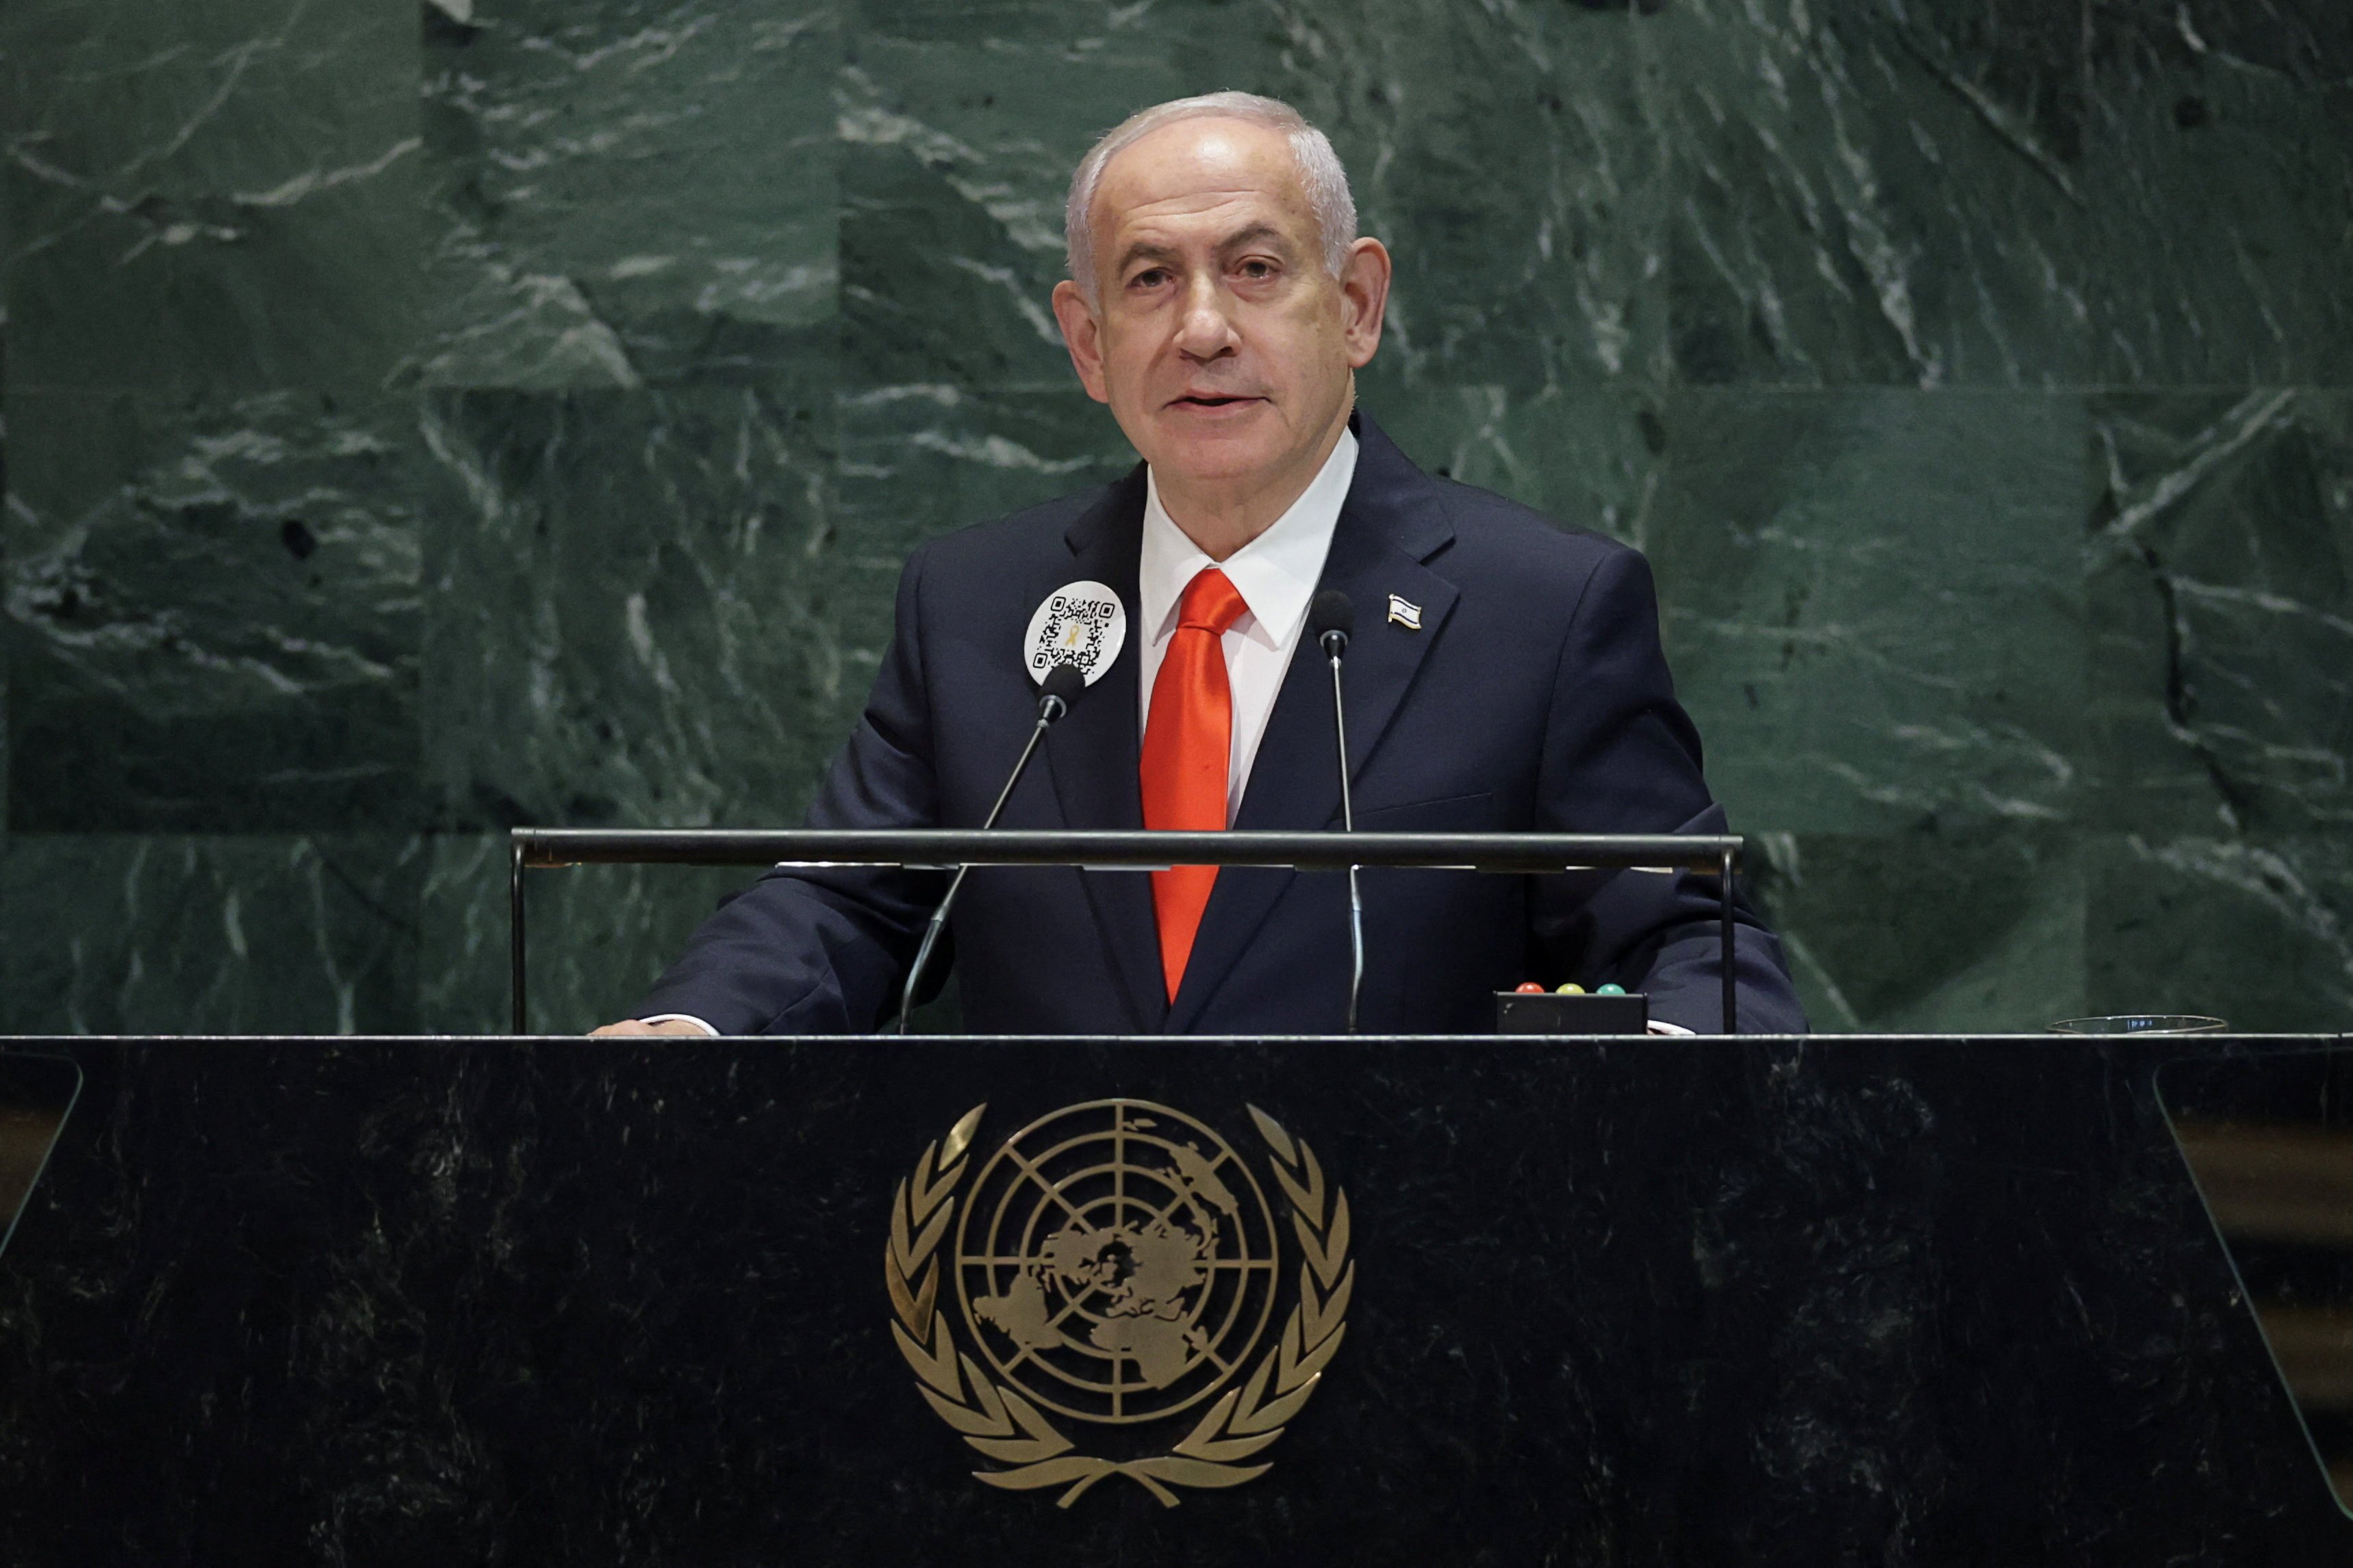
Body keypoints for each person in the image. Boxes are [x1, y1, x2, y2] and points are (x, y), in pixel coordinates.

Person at [596, 92, 1804, 1038]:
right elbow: (846, 901)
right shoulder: (976, 604)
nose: (1204, 328)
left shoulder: (1539, 610)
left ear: (1356, 305)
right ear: (1088, 343)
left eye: (1256, 269)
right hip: (1045, 1259)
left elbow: (1683, 942)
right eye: (1149, 279)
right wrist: (691, 1033)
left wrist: (1664, 1084)